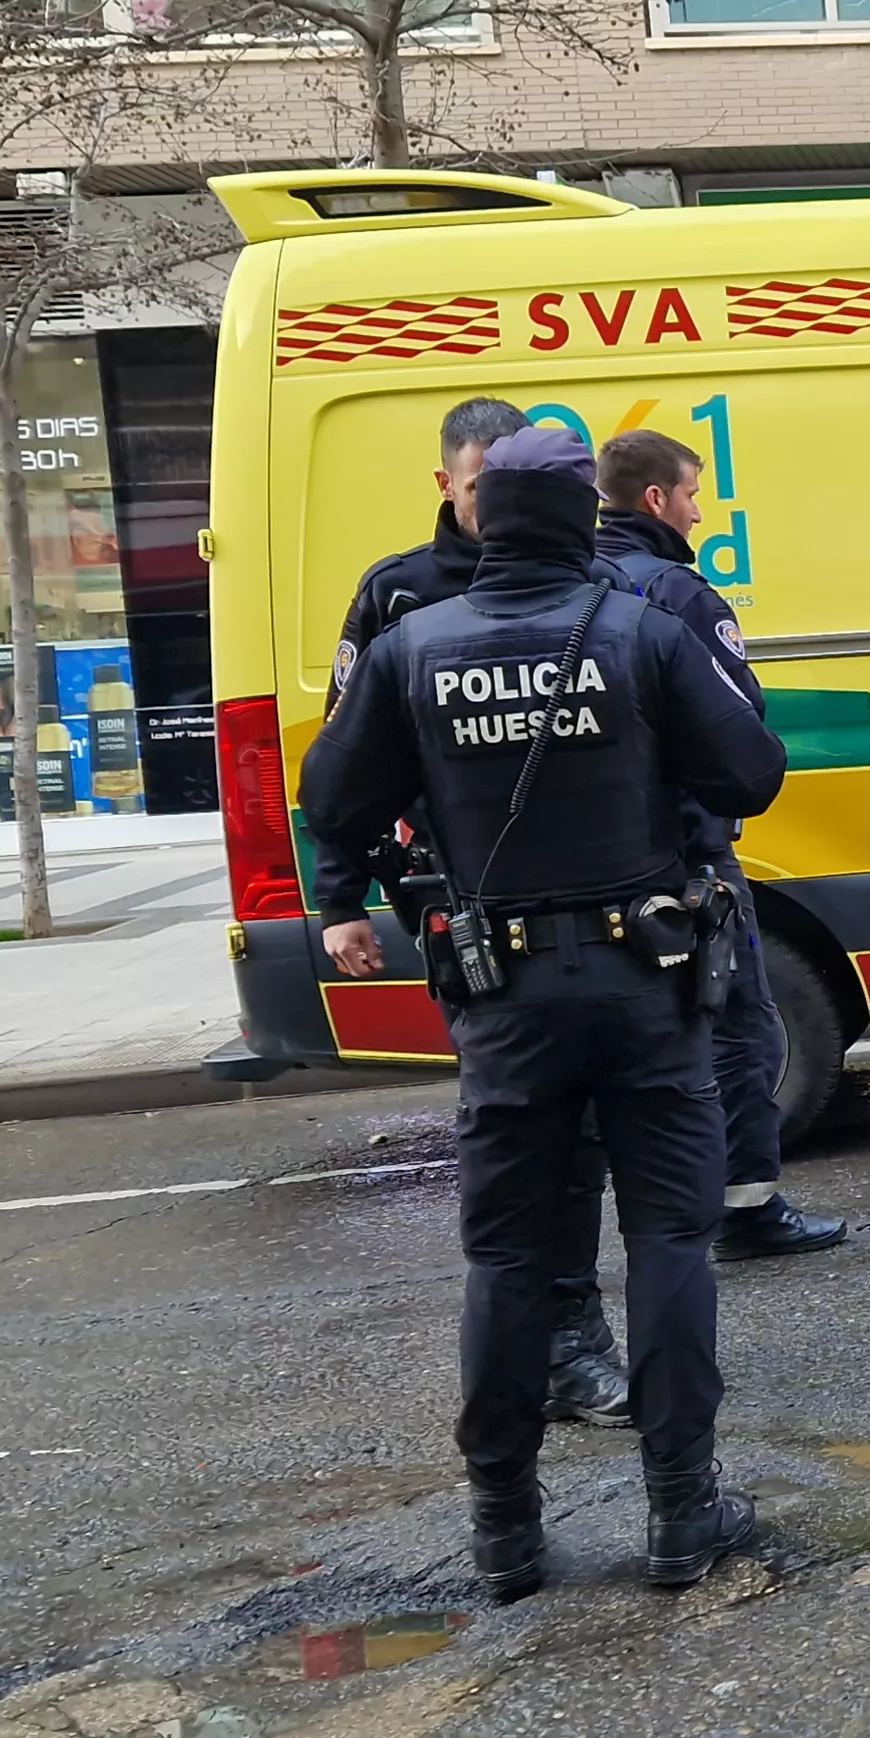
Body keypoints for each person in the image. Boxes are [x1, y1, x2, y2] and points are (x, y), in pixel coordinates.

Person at [300, 425, 790, 1599]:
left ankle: (505, 1535)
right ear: (583, 521)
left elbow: (332, 795)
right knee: (670, 1241)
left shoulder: (413, 644)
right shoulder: (642, 630)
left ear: (482, 517)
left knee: (510, 1259)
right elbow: (752, 775)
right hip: (646, 986)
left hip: (504, 997)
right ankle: (681, 1513)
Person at [323, 396, 634, 1431]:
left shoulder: (593, 584)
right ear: (449, 486)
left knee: (580, 1134)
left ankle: (569, 1339)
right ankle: (539, 1354)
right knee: (522, 1140)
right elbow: (343, 771)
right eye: (472, 487)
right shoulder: (398, 599)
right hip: (464, 912)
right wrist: (345, 900)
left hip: (591, 909)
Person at [591, 430, 845, 1260]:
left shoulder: (575, 585)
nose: (700, 513)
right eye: (693, 495)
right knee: (743, 1030)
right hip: (689, 857)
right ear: (657, 499)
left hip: (598, 865)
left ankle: (656, 1215)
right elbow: (738, 736)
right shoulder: (679, 595)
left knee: (637, 1046)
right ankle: (744, 1210)